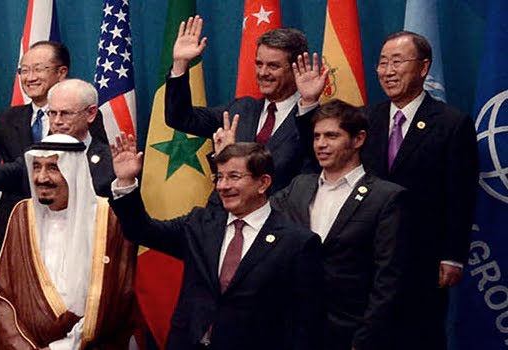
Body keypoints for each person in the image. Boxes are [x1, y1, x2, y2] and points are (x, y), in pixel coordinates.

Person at [296, 31, 479, 349]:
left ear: (423, 68)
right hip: (367, 259)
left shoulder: (452, 123)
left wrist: (453, 256)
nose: (388, 71)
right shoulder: (366, 117)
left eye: (397, 61)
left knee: (417, 335)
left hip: (422, 257)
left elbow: (460, 194)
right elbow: (323, 154)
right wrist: (311, 103)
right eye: (382, 62)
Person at [214, 100, 409, 350]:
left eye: (331, 136)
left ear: (358, 139)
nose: (321, 144)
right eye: (316, 136)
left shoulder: (387, 198)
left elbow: (388, 280)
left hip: (350, 333)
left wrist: (366, 340)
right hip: (295, 332)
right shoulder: (300, 186)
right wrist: (230, 164)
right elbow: (250, 207)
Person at [109, 137, 324, 349]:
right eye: (219, 177)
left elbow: (306, 324)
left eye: (233, 176)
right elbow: (143, 231)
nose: (223, 186)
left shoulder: (296, 243)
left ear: (263, 183)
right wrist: (126, 183)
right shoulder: (200, 224)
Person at [0, 41, 108, 259]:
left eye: (38, 69)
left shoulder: (83, 119)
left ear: (62, 72)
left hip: (70, 239)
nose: (29, 77)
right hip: (14, 234)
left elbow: (97, 176)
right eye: (24, 70)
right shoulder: (9, 118)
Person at [0, 133, 136, 349]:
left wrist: (65, 346)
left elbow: (119, 294)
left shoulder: (108, 219)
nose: (41, 177)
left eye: (53, 167)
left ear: (74, 172)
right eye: (37, 166)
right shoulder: (22, 215)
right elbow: (5, 293)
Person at [165, 15, 328, 191]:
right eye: (259, 64)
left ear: (296, 68)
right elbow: (179, 117)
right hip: (231, 215)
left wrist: (309, 103)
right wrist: (180, 64)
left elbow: (318, 164)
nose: (263, 72)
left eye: (273, 66)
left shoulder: (315, 120)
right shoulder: (240, 110)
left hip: (285, 216)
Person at [0, 78, 115, 201]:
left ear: (91, 113)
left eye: (66, 113)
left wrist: (126, 184)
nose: (57, 121)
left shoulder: (110, 161)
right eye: (52, 113)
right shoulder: (36, 156)